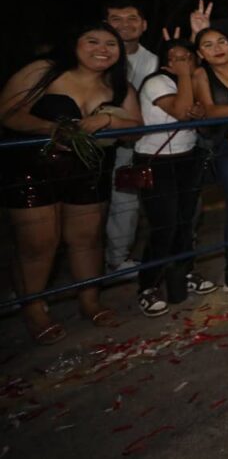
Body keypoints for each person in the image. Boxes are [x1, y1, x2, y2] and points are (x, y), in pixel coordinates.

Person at [0, 23, 142, 343]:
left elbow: (135, 128)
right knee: (38, 243)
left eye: (110, 44)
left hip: (88, 171)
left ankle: (89, 299)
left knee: (88, 238)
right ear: (74, 44)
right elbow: (7, 112)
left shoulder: (118, 85)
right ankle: (34, 308)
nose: (101, 48)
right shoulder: (44, 71)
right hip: (32, 167)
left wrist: (107, 119)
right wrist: (50, 129)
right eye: (92, 41)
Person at [134, 40, 216, 317]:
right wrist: (183, 76)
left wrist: (199, 108)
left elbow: (198, 112)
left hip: (187, 157)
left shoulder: (195, 80)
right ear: (165, 62)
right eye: (174, 58)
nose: (181, 61)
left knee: (186, 220)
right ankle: (147, 286)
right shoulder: (156, 82)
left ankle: (186, 272)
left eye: (186, 57)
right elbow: (181, 112)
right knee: (164, 225)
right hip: (157, 161)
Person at [192, 27, 228, 291]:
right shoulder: (200, 74)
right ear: (200, 54)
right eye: (208, 45)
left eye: (221, 41)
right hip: (224, 150)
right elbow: (210, 110)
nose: (217, 48)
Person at [104, 1, 159, 273]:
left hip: (135, 141)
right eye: (116, 18)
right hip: (96, 141)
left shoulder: (153, 60)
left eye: (132, 18)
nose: (125, 24)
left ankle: (118, 258)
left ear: (144, 24)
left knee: (126, 201)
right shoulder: (96, 58)